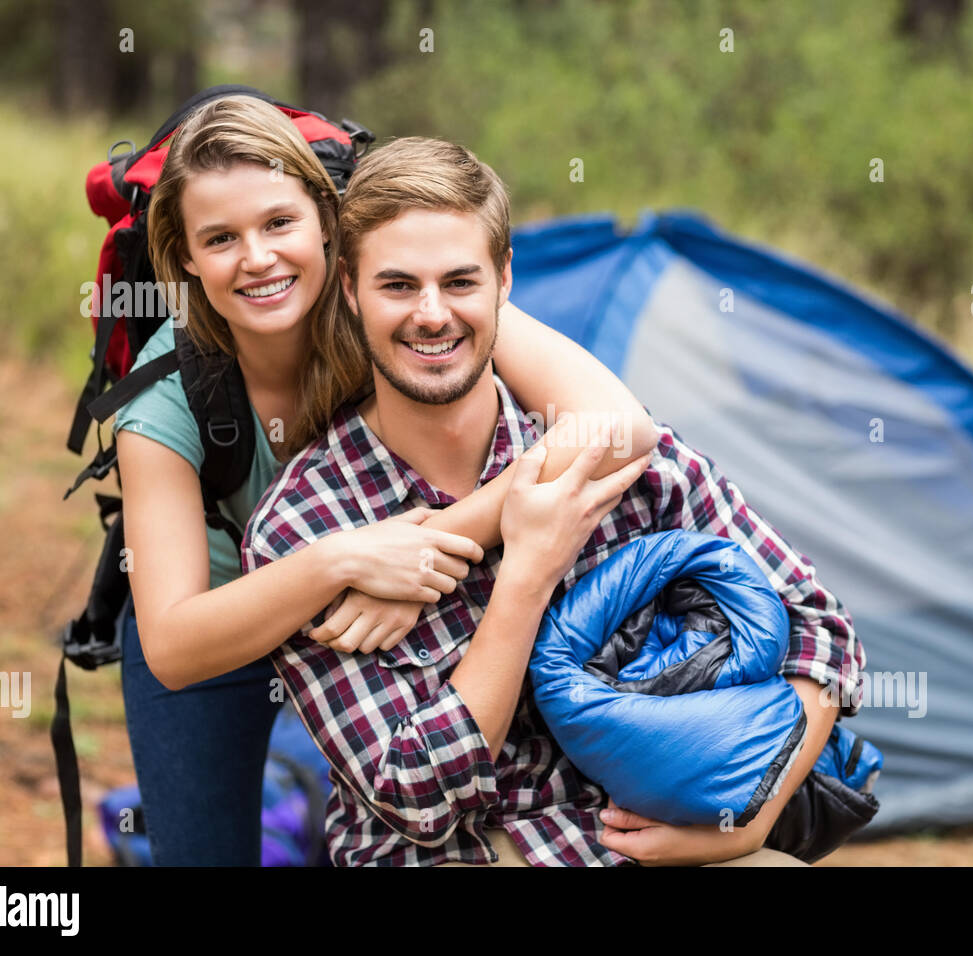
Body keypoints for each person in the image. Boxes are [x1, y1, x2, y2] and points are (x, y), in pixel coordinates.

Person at [242, 136, 865, 866]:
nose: (433, 314)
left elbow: (821, 630)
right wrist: (526, 576)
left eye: (461, 282)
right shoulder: (306, 523)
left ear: (505, 282)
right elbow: (418, 799)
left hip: (649, 844)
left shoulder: (616, 456)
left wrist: (752, 819)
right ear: (349, 289)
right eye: (399, 286)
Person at [112, 96, 658, 866]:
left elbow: (621, 427)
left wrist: (419, 549)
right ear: (188, 258)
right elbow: (172, 643)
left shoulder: (400, 301)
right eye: (220, 239)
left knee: (400, 808)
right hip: (227, 618)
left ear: (327, 224)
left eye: (279, 223)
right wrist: (340, 562)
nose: (258, 257)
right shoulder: (162, 395)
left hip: (393, 603)